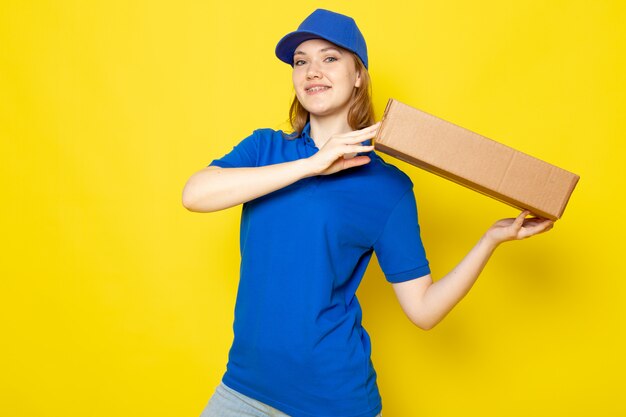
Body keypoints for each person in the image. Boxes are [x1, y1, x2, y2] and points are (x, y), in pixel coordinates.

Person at [182, 8, 554, 417]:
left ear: (358, 74)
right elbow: (195, 194)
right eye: (301, 61)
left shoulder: (387, 186)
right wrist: (312, 164)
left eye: (330, 58)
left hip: (333, 401)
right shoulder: (265, 149)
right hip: (243, 389)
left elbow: (424, 310)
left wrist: (490, 240)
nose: (312, 71)